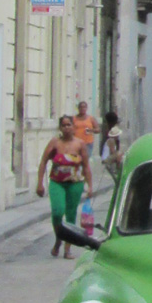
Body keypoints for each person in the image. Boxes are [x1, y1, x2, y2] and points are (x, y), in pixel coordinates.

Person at [36, 114, 93, 260]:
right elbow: (43, 162)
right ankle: (58, 239)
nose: (67, 128)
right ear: (60, 128)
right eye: (64, 125)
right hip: (57, 183)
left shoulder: (80, 144)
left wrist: (90, 186)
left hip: (75, 183)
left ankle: (67, 249)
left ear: (73, 127)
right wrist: (40, 183)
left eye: (69, 125)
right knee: (57, 212)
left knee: (71, 215)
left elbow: (86, 166)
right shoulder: (55, 143)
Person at [100, 111, 124, 183]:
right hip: (107, 159)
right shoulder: (111, 140)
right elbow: (112, 151)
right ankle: (119, 169)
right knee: (119, 154)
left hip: (109, 156)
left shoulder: (110, 130)